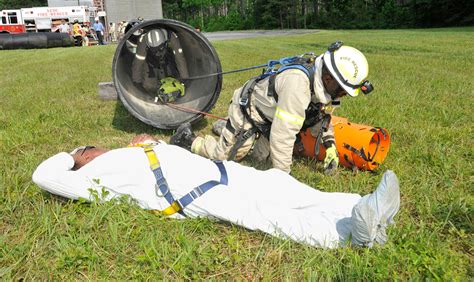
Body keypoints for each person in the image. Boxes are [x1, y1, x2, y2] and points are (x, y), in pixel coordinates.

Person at [32, 134, 400, 249]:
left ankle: (363, 207)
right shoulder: (92, 180)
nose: (98, 148)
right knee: (268, 214)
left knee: (284, 186)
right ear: (82, 159)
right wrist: (71, 155)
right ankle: (348, 235)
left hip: (221, 171)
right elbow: (43, 176)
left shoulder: (127, 155)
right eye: (89, 148)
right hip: (193, 194)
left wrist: (150, 142)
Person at [171, 41, 373, 174]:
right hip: (250, 112)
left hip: (269, 118)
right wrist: (283, 180)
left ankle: (225, 130)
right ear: (329, 78)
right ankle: (188, 139)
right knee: (225, 158)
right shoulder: (298, 86)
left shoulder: (321, 84)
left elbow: (319, 118)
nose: (342, 96)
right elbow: (282, 136)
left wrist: (331, 147)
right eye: (343, 91)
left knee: (259, 157)